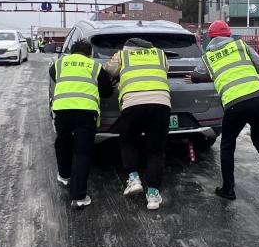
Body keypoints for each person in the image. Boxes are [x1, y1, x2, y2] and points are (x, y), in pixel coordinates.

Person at [192, 20, 259, 202]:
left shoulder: (208, 57)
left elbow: (197, 74)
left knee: (227, 145)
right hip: (258, 99)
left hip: (235, 105)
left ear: (210, 38)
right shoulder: (241, 46)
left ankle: (228, 189)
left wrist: (196, 78)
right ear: (229, 35)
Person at [102, 37, 171, 210]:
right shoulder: (160, 54)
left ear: (127, 47)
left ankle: (134, 180)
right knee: (155, 150)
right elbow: (166, 69)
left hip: (132, 104)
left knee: (128, 141)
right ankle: (153, 195)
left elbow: (107, 70)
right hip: (160, 103)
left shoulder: (122, 55)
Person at [48, 40, 113, 208]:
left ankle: (64, 176)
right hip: (86, 111)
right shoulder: (94, 66)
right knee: (82, 152)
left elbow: (53, 74)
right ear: (89, 54)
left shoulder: (60, 63)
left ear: (72, 52)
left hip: (62, 108)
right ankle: (78, 197)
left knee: (63, 141)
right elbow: (107, 91)